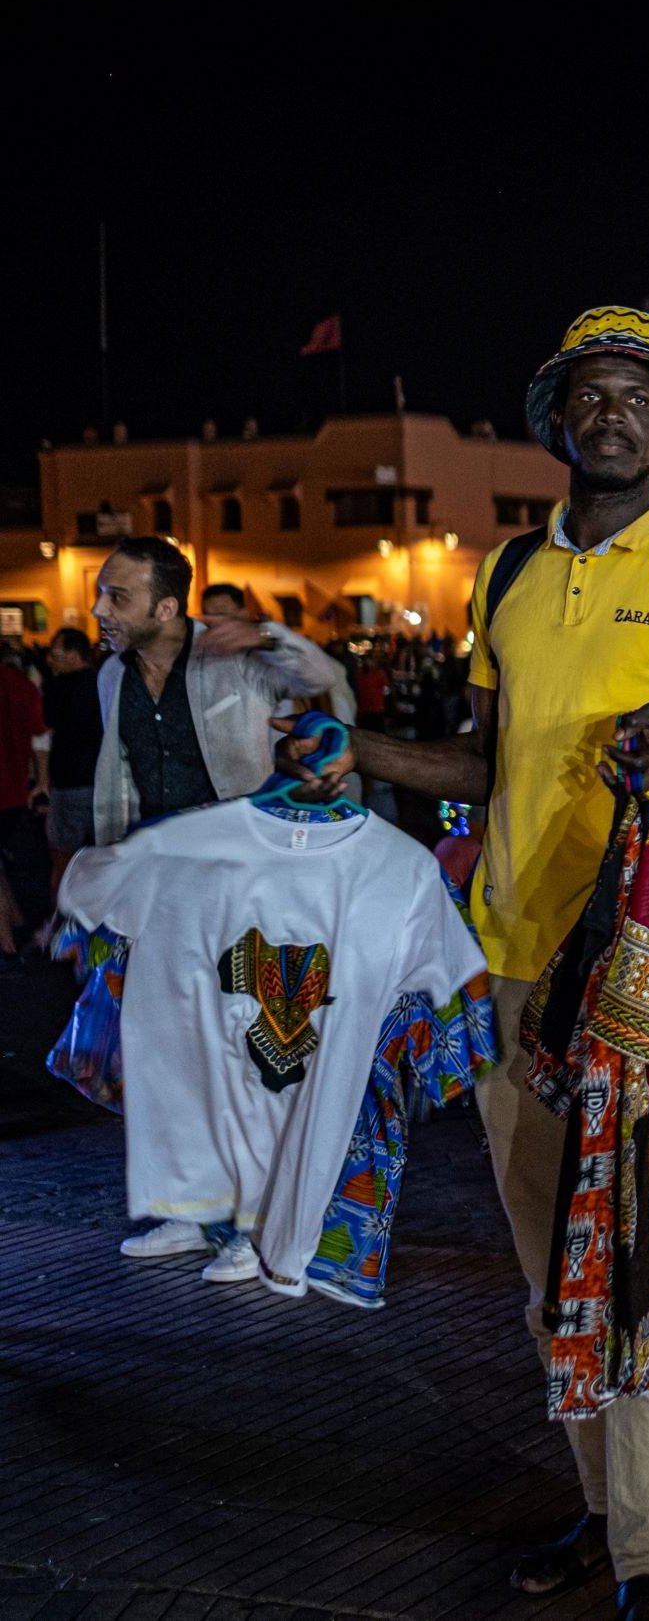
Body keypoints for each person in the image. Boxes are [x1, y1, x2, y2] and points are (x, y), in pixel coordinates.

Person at [279, 307, 649, 1621]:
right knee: (542, 1273)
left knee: (631, 1261)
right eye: (590, 393)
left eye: (635, 396)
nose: (611, 413)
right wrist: (357, 752)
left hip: (635, 969)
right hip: (506, 964)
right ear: (558, 420)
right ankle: (604, 1504)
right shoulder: (503, 574)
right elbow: (480, 759)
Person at [88, 535, 344, 1280]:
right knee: (171, 1053)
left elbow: (324, 676)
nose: (100, 609)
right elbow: (120, 776)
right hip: (163, 885)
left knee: (248, 1052)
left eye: (117, 596)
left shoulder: (234, 656)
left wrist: (265, 634)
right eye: (102, 593)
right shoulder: (112, 676)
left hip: (248, 878)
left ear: (167, 607)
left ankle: (253, 1225)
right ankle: (188, 1211)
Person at [38, 628, 104, 903]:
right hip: (101, 782)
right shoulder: (103, 681)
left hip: (70, 783)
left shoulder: (60, 688)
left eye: (55, 653)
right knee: (102, 856)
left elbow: (44, 728)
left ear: (75, 655)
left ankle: (61, 917)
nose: (50, 660)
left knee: (62, 857)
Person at [0, 654, 48, 972]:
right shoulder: (19, 683)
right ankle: (16, 922)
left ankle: (6, 948)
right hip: (14, 792)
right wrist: (41, 780)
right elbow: (40, 734)